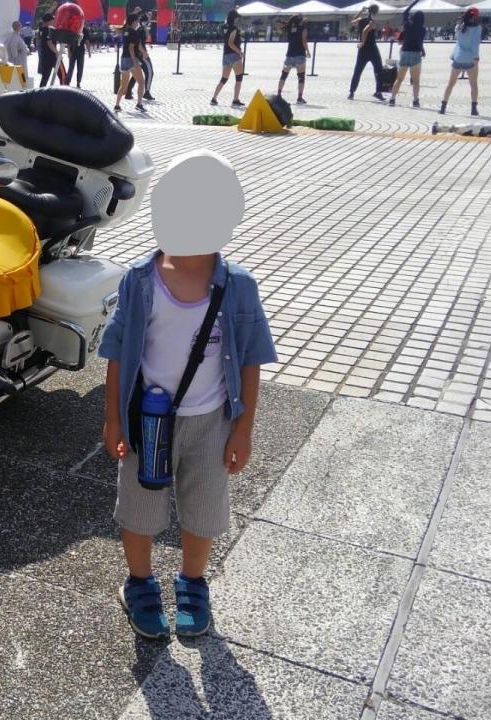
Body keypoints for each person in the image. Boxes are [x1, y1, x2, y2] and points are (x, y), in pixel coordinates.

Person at [99, 150, 276, 641]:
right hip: (146, 418)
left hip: (211, 420)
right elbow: (117, 353)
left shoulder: (239, 286)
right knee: (139, 506)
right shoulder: (140, 280)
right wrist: (113, 419)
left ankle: (193, 583)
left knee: (204, 507)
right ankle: (139, 583)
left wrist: (243, 428)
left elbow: (251, 358)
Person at [440, 7, 481, 115]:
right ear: (476, 16)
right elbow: (475, 44)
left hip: (458, 57)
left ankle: (443, 106)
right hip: (470, 58)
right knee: (473, 84)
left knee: (450, 84)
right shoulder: (477, 28)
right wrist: (476, 58)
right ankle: (473, 108)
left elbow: (458, 42)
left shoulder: (458, 27)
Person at [389, 4, 426, 107]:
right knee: (416, 81)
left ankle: (392, 99)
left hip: (405, 53)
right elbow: (420, 42)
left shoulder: (407, 26)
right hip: (416, 54)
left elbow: (405, 12)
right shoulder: (422, 29)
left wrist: (415, 2)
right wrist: (423, 51)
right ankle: (415, 101)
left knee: (399, 79)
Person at [209, 9, 245, 108]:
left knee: (224, 79)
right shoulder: (234, 28)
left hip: (225, 55)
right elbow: (231, 43)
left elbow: (227, 42)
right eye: (237, 17)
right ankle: (235, 100)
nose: (238, 19)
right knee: (239, 78)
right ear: (234, 18)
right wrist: (240, 52)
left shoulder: (225, 27)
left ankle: (214, 98)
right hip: (234, 55)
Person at [348, 3, 384, 101]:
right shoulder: (373, 22)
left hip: (363, 50)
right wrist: (363, 42)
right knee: (378, 69)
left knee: (358, 71)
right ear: (376, 12)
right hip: (371, 48)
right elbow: (365, 31)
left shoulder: (361, 20)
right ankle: (378, 92)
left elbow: (352, 22)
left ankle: (351, 92)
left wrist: (360, 11)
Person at [113, 13, 145, 113]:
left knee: (123, 85)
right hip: (131, 59)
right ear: (134, 21)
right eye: (137, 20)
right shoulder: (134, 32)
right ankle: (139, 104)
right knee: (141, 82)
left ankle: (117, 105)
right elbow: (131, 48)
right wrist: (135, 62)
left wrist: (144, 53)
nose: (138, 22)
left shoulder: (126, 31)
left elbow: (136, 45)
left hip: (123, 59)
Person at [276, 13, 309, 104]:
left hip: (289, 54)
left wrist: (280, 25)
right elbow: (304, 40)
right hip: (300, 55)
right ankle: (299, 98)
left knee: (284, 75)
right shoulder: (303, 28)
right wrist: (308, 51)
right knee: (301, 77)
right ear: (300, 20)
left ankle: (279, 94)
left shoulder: (290, 27)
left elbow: (279, 30)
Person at [36, 12, 56, 87]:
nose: (53, 21)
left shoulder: (41, 29)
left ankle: (41, 91)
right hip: (51, 56)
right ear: (49, 21)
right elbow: (49, 43)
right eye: (52, 20)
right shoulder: (48, 30)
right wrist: (57, 52)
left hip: (45, 55)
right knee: (62, 74)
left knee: (45, 78)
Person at [68, 23, 89, 88]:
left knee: (80, 68)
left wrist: (89, 52)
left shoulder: (85, 30)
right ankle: (68, 81)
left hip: (81, 51)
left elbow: (87, 41)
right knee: (71, 67)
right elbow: (69, 41)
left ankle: (78, 82)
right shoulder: (73, 29)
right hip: (73, 50)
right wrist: (69, 52)